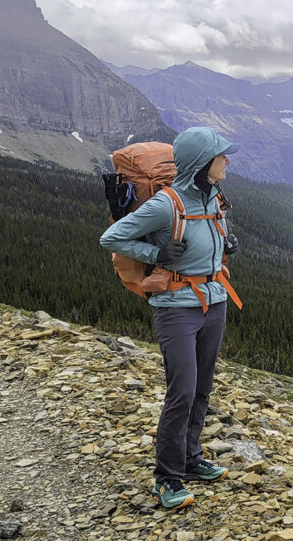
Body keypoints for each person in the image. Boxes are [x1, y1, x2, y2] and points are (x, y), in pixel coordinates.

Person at [100, 127, 240, 510]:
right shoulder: (165, 204)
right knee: (182, 390)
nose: (227, 160)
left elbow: (214, 234)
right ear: (201, 162)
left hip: (214, 301)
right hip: (176, 308)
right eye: (221, 156)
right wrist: (156, 255)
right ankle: (166, 477)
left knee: (202, 388)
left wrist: (226, 243)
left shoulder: (214, 197)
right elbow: (110, 238)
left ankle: (191, 459)